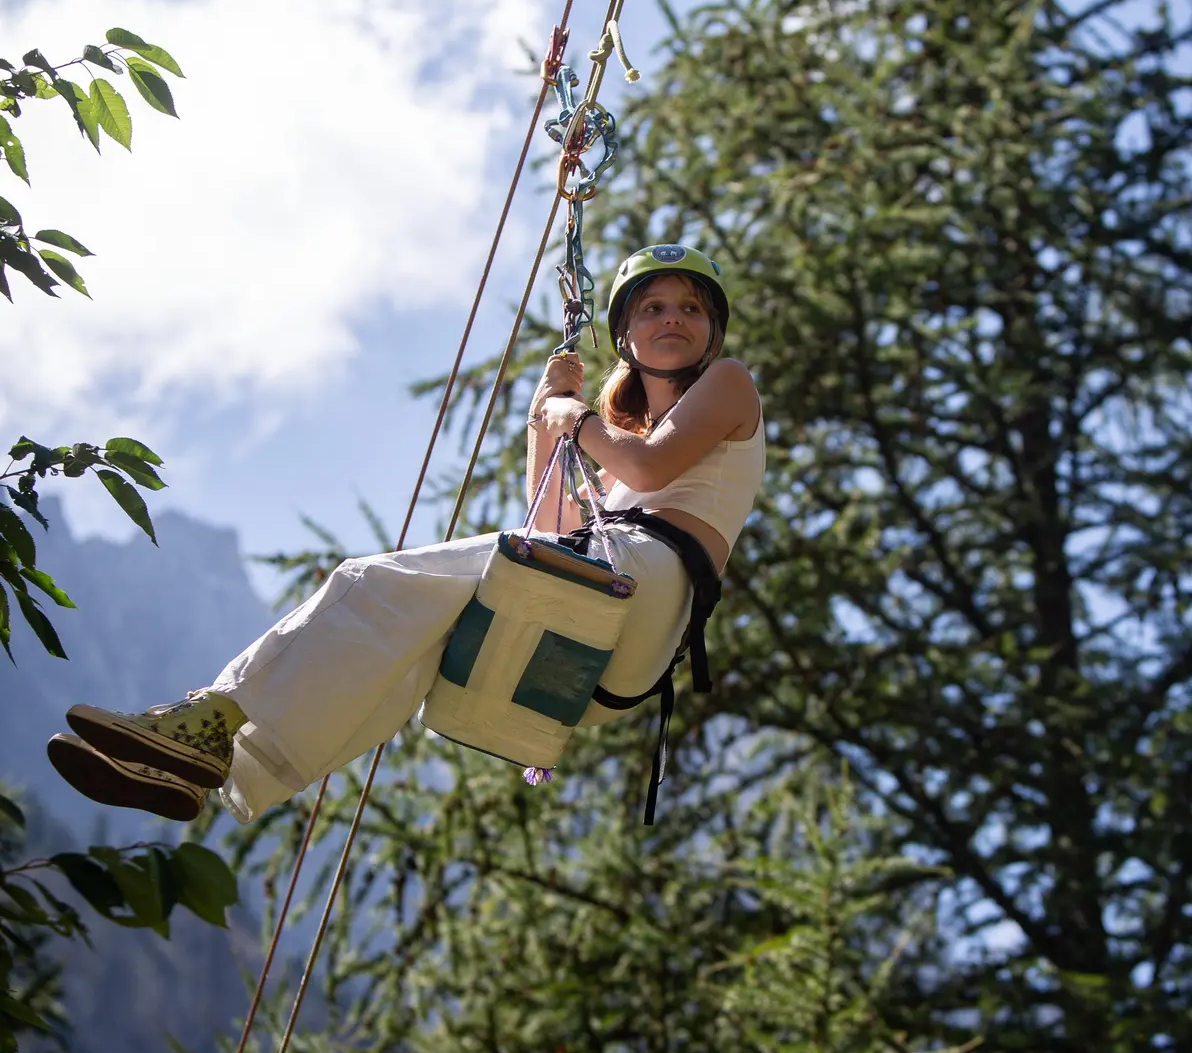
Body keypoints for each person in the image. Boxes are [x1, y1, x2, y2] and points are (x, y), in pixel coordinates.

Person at [46, 245, 765, 826]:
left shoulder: (727, 384)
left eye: (690, 308)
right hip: (616, 630)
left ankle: (211, 719)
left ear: (713, 331)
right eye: (653, 307)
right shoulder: (618, 459)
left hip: (648, 590)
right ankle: (216, 761)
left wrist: (574, 418)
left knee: (369, 583)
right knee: (401, 644)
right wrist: (542, 420)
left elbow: (646, 466)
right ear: (627, 334)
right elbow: (549, 529)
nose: (673, 319)